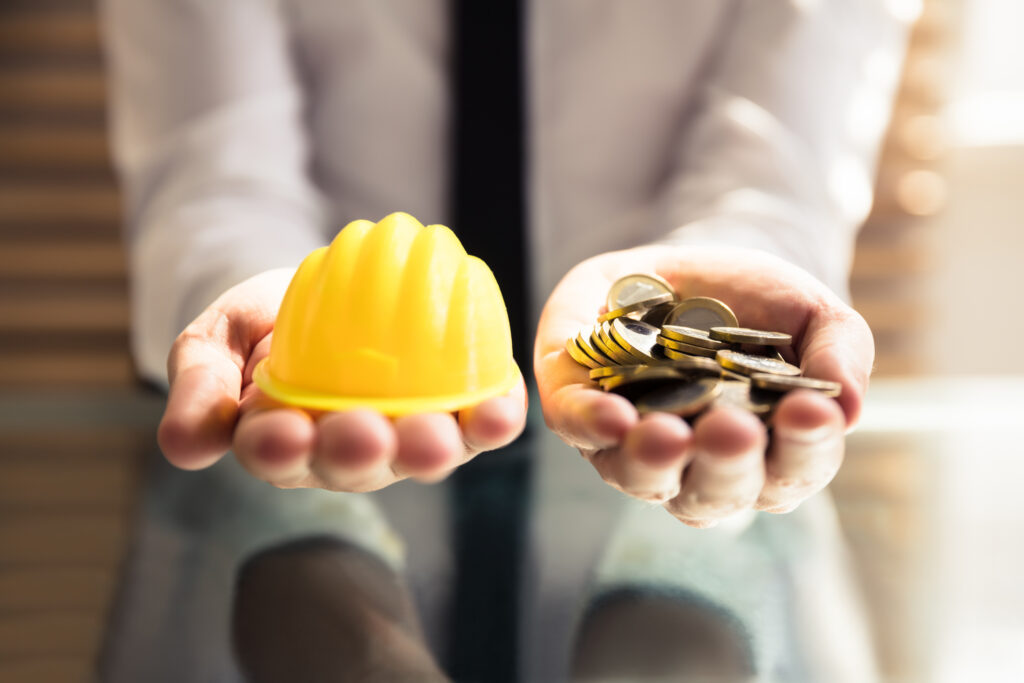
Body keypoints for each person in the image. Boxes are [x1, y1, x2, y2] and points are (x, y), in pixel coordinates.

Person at [98, 1, 909, 681]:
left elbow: (781, 157)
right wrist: (268, 300)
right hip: (294, 498)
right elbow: (214, 161)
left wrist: (741, 281)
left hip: (682, 569)